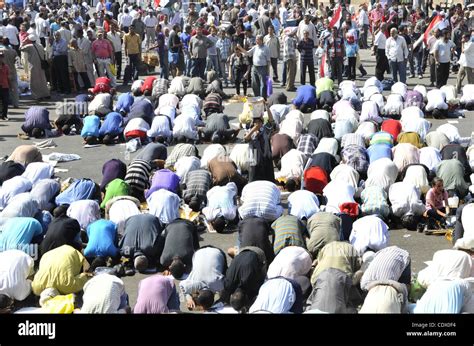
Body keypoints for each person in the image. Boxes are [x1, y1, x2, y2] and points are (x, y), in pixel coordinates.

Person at [221, 246, 267, 313]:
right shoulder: (228, 284)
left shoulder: (252, 285)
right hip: (241, 251)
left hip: (258, 252)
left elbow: (261, 279)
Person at [237, 34, 271, 99]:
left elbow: (268, 61)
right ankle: (257, 97)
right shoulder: (255, 47)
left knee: (263, 85)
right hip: (255, 67)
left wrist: (268, 71)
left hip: (262, 68)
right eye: (256, 39)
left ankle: (263, 98)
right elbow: (247, 53)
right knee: (254, 84)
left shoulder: (266, 48)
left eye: (257, 40)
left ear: (261, 40)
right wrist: (240, 48)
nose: (256, 41)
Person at [282, 27, 297, 91]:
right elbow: (288, 50)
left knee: (293, 72)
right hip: (290, 57)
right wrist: (293, 58)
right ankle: (289, 86)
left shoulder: (291, 38)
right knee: (290, 72)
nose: (295, 33)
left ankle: (291, 85)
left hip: (292, 57)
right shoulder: (288, 39)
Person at [0, 52, 9, 120]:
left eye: (1, 57)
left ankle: (4, 115)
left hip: (5, 86)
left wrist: (10, 85)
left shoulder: (6, 66)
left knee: (5, 102)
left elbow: (7, 76)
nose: (1, 58)